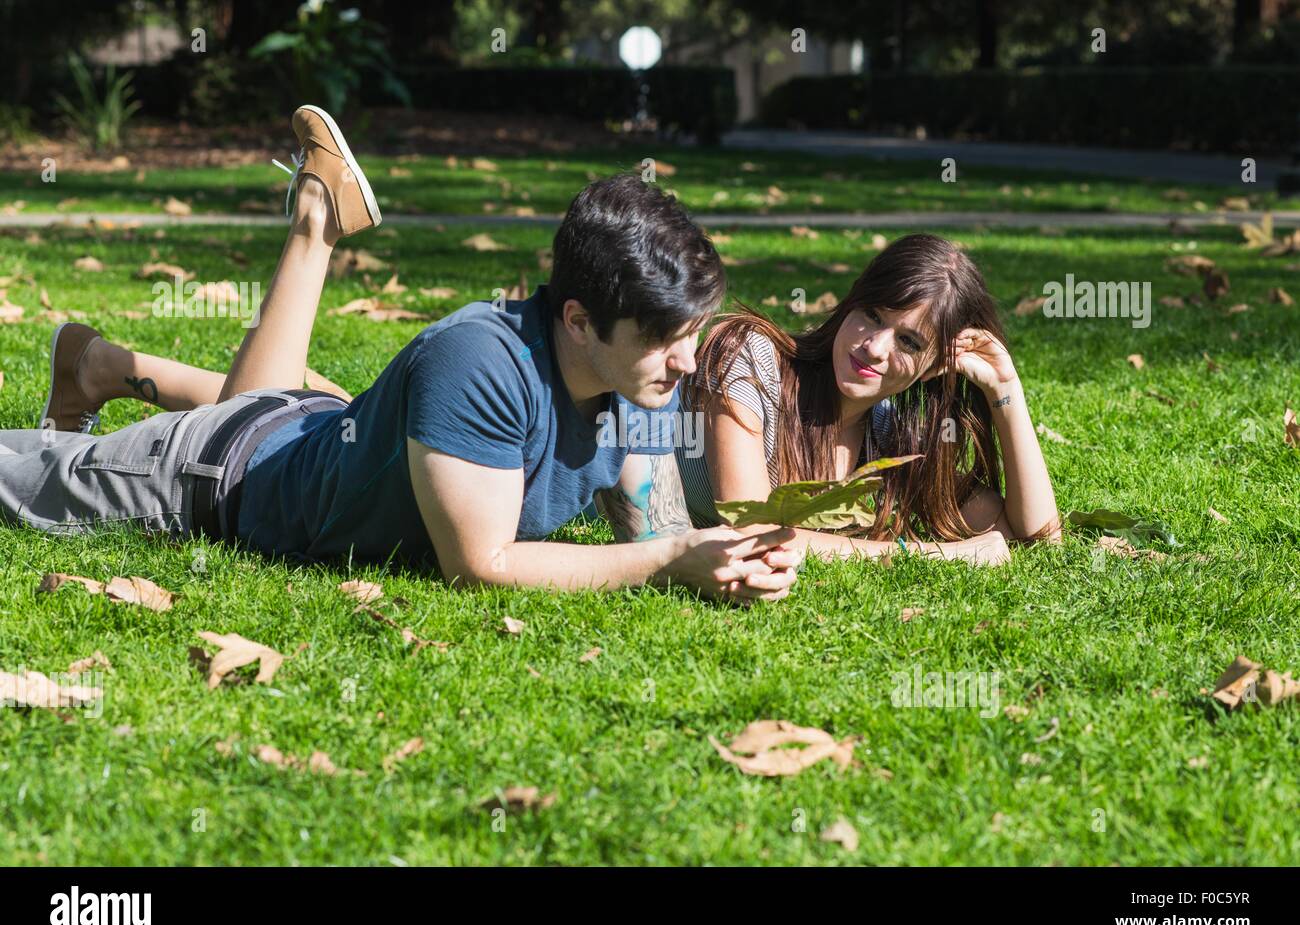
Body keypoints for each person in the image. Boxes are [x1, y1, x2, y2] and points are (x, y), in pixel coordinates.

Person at [2, 106, 799, 605]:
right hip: (206, 478)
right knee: (19, 476)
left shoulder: (639, 386)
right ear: (581, 320)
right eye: (665, 339)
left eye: (692, 332)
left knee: (274, 405)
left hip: (308, 424)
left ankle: (99, 364)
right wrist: (671, 560)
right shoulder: (479, 362)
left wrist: (729, 561)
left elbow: (650, 523)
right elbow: (478, 566)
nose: (689, 362)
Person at [675, 233, 1062, 564]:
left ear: (938, 365)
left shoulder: (888, 435)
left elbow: (1036, 534)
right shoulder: (749, 359)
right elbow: (751, 533)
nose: (874, 347)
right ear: (852, 300)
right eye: (873, 315)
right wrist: (936, 554)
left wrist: (1007, 390)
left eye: (909, 341)